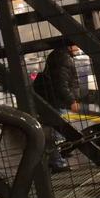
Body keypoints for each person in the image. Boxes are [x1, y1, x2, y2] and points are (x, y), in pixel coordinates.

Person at [33, 41, 82, 172]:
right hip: (56, 101)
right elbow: (61, 84)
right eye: (77, 45)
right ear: (70, 45)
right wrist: (71, 101)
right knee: (56, 134)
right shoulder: (63, 59)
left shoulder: (58, 55)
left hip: (52, 100)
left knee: (56, 132)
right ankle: (57, 163)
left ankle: (57, 157)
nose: (78, 49)